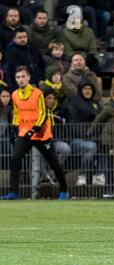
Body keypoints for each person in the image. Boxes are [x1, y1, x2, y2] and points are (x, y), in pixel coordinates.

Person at [0, 66, 68, 200]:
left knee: (53, 162)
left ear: (29, 77)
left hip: (41, 133)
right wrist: (14, 127)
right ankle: (14, 192)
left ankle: (64, 190)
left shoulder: (37, 93)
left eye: (23, 76)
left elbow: (44, 114)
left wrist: (33, 130)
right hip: (25, 132)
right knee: (14, 158)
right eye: (18, 77)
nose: (20, 80)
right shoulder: (14, 94)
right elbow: (17, 113)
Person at [65, 79, 104, 186]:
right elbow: (73, 125)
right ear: (80, 90)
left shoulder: (96, 104)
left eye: (90, 89)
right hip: (76, 140)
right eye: (85, 89)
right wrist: (87, 135)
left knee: (101, 145)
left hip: (94, 138)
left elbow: (101, 122)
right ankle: (82, 176)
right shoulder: (73, 103)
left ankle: (98, 176)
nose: (88, 91)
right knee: (91, 146)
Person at [0, 85, 12, 170]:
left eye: (7, 96)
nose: (5, 99)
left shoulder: (11, 110)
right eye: (3, 96)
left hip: (6, 138)